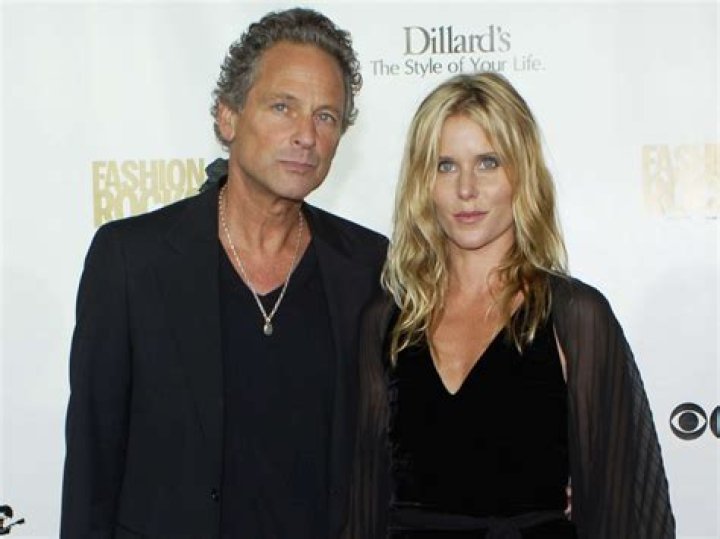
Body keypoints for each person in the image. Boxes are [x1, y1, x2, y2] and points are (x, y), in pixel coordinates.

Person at [61, 8, 387, 538]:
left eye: (326, 116)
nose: (306, 135)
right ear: (228, 117)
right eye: (283, 107)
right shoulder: (131, 261)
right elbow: (91, 471)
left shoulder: (368, 266)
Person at [348, 73, 675, 539]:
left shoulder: (575, 317)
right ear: (423, 182)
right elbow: (363, 506)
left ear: (521, 173)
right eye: (445, 165)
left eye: (488, 162)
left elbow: (618, 513)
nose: (466, 189)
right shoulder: (387, 322)